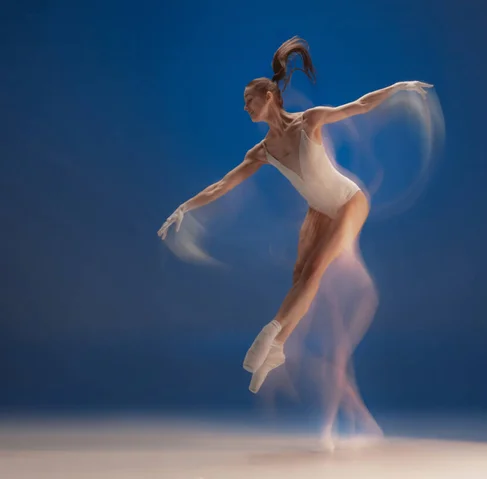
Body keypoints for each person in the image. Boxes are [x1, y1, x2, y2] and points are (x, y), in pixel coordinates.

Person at [157, 36, 432, 394]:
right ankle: (278, 350)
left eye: (248, 101)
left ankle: (270, 333)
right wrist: (185, 207)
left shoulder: (310, 121)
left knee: (315, 270)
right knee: (299, 274)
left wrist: (398, 87)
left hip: (350, 201)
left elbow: (361, 105)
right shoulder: (261, 152)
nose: (245, 108)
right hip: (319, 210)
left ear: (268, 96)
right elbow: (223, 185)